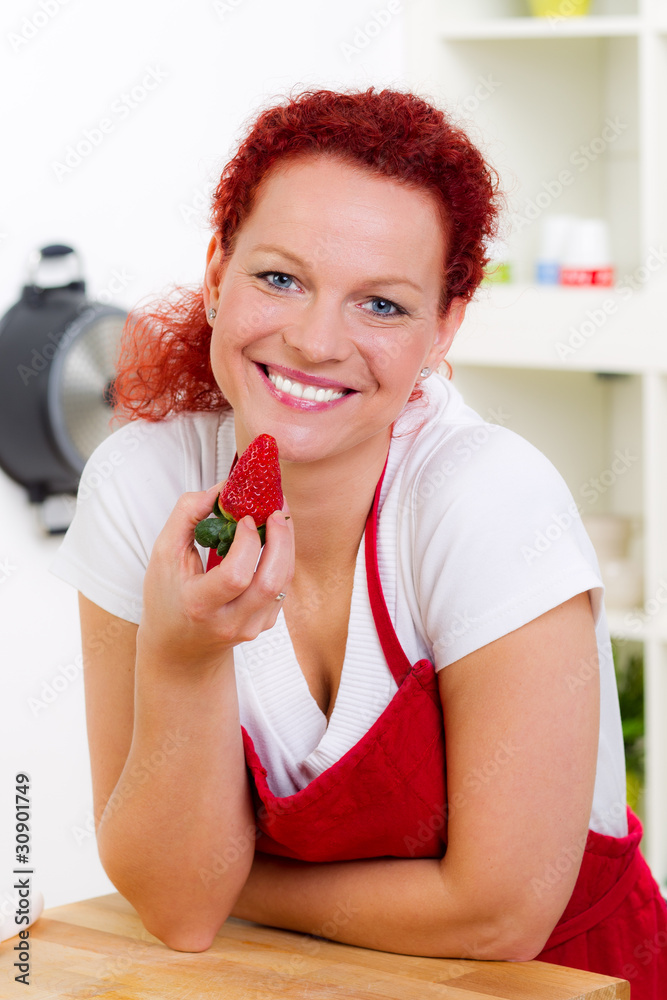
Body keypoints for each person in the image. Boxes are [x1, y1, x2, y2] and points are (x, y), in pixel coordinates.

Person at [51, 87, 667, 994]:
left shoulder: (486, 497)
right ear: (216, 272)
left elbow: (502, 912)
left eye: (380, 305)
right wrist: (183, 662)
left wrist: (243, 884)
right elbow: (181, 912)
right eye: (279, 278)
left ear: (444, 327)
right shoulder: (138, 487)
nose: (312, 340)